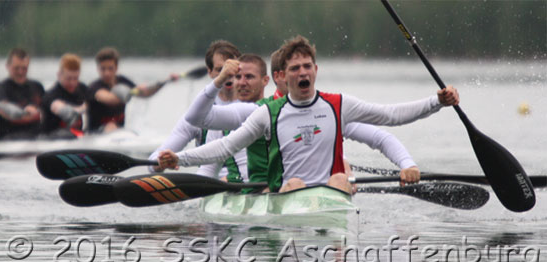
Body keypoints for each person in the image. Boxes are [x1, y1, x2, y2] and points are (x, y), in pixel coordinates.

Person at [158, 35, 460, 194]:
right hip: (287, 194)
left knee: (342, 179)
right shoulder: (266, 114)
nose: (302, 73)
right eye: (294, 69)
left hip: (332, 192)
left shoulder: (338, 104)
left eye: (307, 67)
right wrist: (180, 158)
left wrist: (437, 102)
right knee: (296, 185)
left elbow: (391, 116)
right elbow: (225, 147)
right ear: (282, 77)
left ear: (315, 71)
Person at [148, 40, 242, 180]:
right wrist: (161, 162)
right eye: (220, 70)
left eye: (231, 69)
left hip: (247, 182)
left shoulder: (255, 107)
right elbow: (152, 163)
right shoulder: (197, 116)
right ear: (209, 72)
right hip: (213, 186)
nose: (228, 75)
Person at [86, 47, 178, 133]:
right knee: (111, 125)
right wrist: (134, 91)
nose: (106, 73)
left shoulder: (123, 81)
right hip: (95, 134)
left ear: (116, 68)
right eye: (103, 69)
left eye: (110, 68)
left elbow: (146, 94)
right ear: (98, 69)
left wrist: (165, 82)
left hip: (118, 133)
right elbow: (110, 99)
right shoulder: (94, 87)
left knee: (119, 128)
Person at [0, 48, 45, 140]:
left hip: (36, 138)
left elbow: (47, 112)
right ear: (8, 66)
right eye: (16, 68)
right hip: (10, 138)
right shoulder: (1, 89)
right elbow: (3, 110)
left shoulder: (37, 86)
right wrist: (25, 112)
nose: (20, 72)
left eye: (24, 68)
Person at [40, 53, 87, 139]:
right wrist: (85, 107)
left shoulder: (83, 89)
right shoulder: (50, 95)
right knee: (69, 134)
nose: (72, 83)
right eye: (68, 78)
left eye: (75, 78)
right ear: (59, 75)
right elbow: (61, 109)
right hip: (52, 138)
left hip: (76, 136)